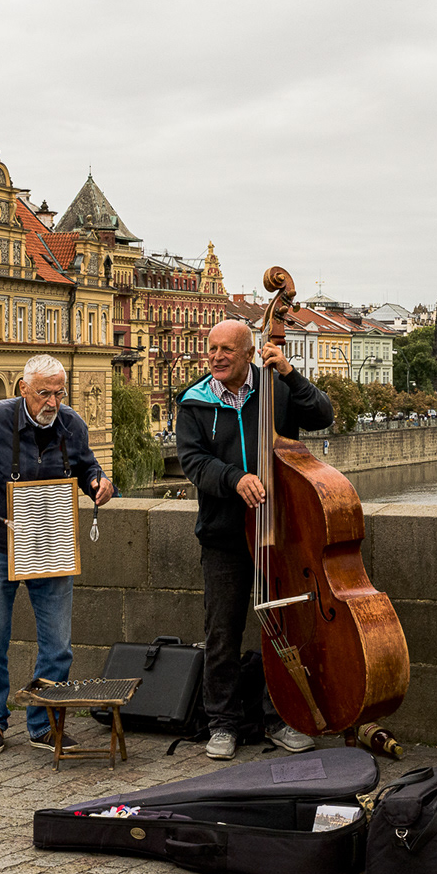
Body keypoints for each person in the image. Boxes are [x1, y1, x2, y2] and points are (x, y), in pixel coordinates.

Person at [0, 354, 114, 754]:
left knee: (58, 645)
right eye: (44, 394)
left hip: (52, 545)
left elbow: (88, 468)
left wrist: (99, 483)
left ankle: (44, 725)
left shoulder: (72, 425)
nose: (52, 402)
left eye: (59, 393)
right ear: (23, 390)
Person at [176, 318, 335, 760]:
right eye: (212, 349)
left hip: (282, 533)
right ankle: (222, 724)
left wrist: (289, 372)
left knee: (281, 628)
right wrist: (234, 479)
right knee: (222, 633)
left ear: (250, 353)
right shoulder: (195, 400)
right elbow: (193, 462)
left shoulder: (276, 388)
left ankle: (279, 717)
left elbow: (323, 416)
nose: (217, 357)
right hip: (225, 535)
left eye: (228, 349)